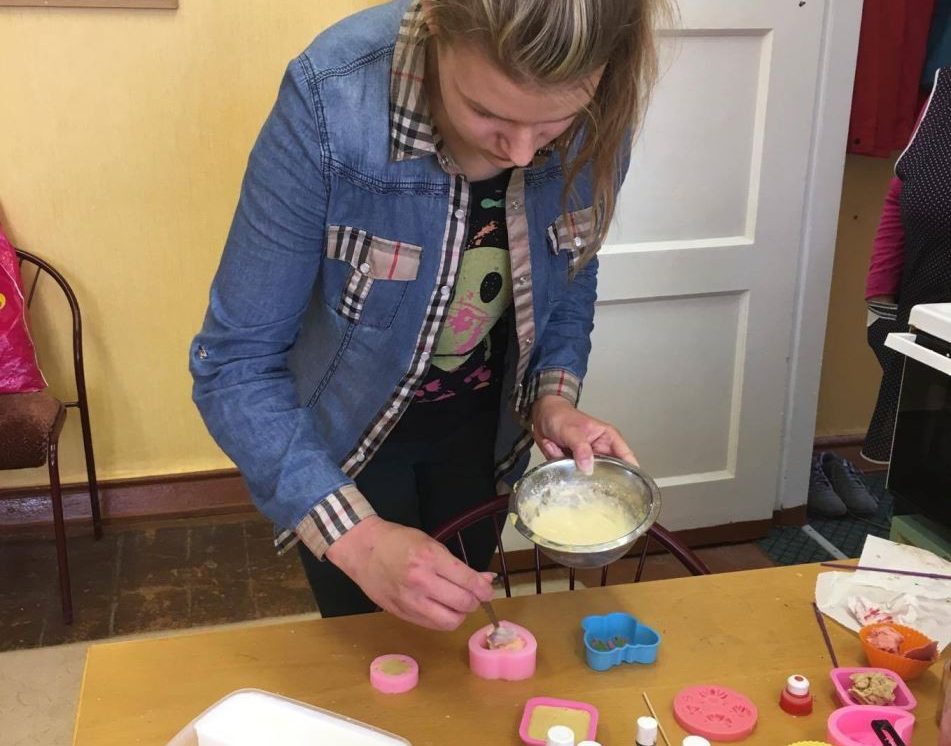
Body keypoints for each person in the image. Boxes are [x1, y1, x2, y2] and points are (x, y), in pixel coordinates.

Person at [190, 0, 669, 631]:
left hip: (485, 437)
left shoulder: (603, 101)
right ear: (438, 23)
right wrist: (360, 543)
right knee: (371, 648)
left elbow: (570, 268)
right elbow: (234, 364)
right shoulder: (330, 99)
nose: (521, 152)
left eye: (554, 124)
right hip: (345, 448)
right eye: (488, 113)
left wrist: (552, 399)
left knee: (459, 640)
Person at [863, 66, 951, 464]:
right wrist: (880, 298)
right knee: (919, 464)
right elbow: (902, 190)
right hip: (924, 316)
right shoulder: (944, 89)